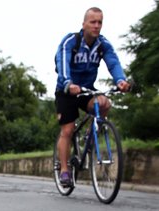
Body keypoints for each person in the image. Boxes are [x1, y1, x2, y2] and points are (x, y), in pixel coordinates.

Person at [54, 7, 130, 185]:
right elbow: (62, 61)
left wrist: (121, 81)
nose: (96, 26)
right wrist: (68, 83)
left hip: (87, 89)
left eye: (100, 22)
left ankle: (92, 133)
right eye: (93, 22)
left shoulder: (103, 44)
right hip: (67, 90)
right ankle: (64, 170)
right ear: (84, 24)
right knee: (67, 130)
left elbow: (113, 63)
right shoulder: (71, 41)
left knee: (104, 103)